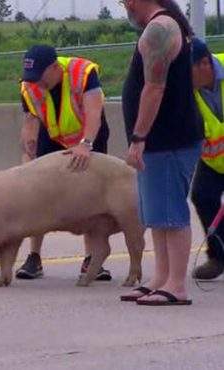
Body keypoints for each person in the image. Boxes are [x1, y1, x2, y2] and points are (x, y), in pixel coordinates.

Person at [119, 0, 204, 305]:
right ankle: (161, 277)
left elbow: (154, 88)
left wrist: (140, 136)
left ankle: (176, 285)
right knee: (156, 213)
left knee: (170, 213)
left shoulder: (160, 29)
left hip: (168, 138)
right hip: (159, 141)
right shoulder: (159, 27)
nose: (125, 5)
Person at [15, 44, 112, 281]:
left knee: (91, 196)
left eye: (40, 77)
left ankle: (92, 260)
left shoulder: (83, 73)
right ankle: (34, 258)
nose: (35, 83)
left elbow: (94, 113)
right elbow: (30, 120)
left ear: (55, 68)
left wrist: (86, 144)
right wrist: (29, 147)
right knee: (38, 193)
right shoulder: (30, 85)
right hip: (54, 135)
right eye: (31, 78)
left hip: (89, 134)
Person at [189, 38, 224, 280]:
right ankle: (219, 256)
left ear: (205, 64)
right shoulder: (186, 90)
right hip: (213, 160)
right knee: (202, 195)